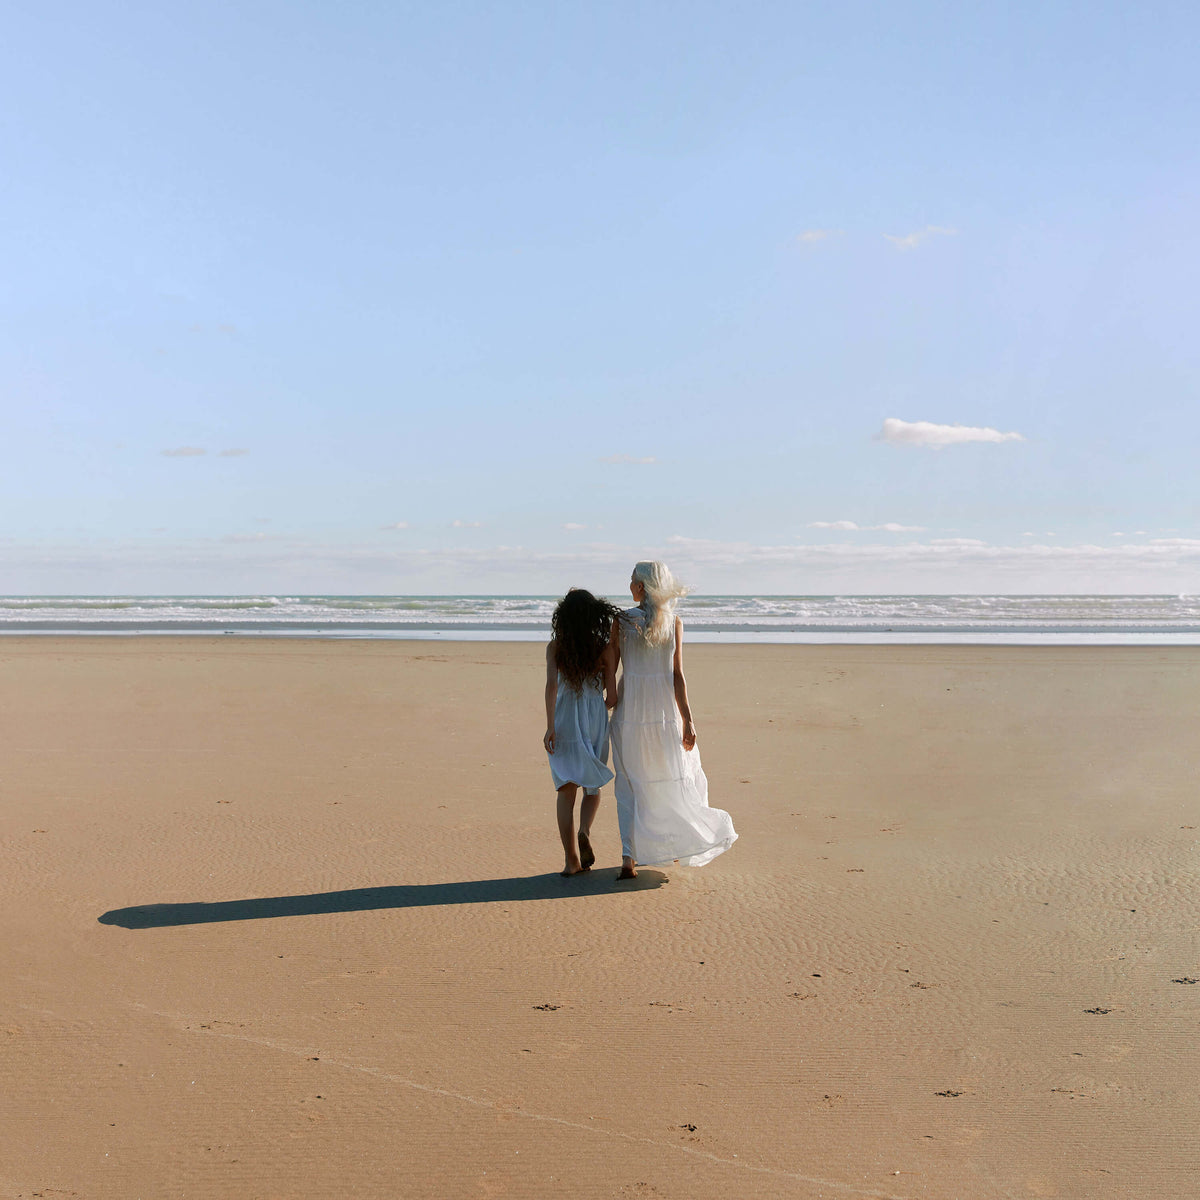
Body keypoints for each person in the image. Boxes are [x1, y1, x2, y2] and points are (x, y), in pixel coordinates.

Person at [608, 561, 737, 880]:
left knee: (630, 782)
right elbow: (677, 676)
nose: (629, 585)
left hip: (631, 713)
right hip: (665, 714)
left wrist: (608, 699)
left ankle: (629, 857)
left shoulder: (622, 621)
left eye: (631, 580)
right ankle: (677, 844)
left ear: (641, 587)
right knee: (669, 777)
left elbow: (610, 666)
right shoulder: (673, 622)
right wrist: (688, 720)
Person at [544, 588, 622, 876]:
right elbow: (612, 697)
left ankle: (571, 861)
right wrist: (599, 702)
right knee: (593, 787)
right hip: (593, 717)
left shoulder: (556, 647)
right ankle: (585, 829)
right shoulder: (604, 648)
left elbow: (552, 686)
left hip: (564, 716)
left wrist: (550, 726)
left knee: (566, 790)